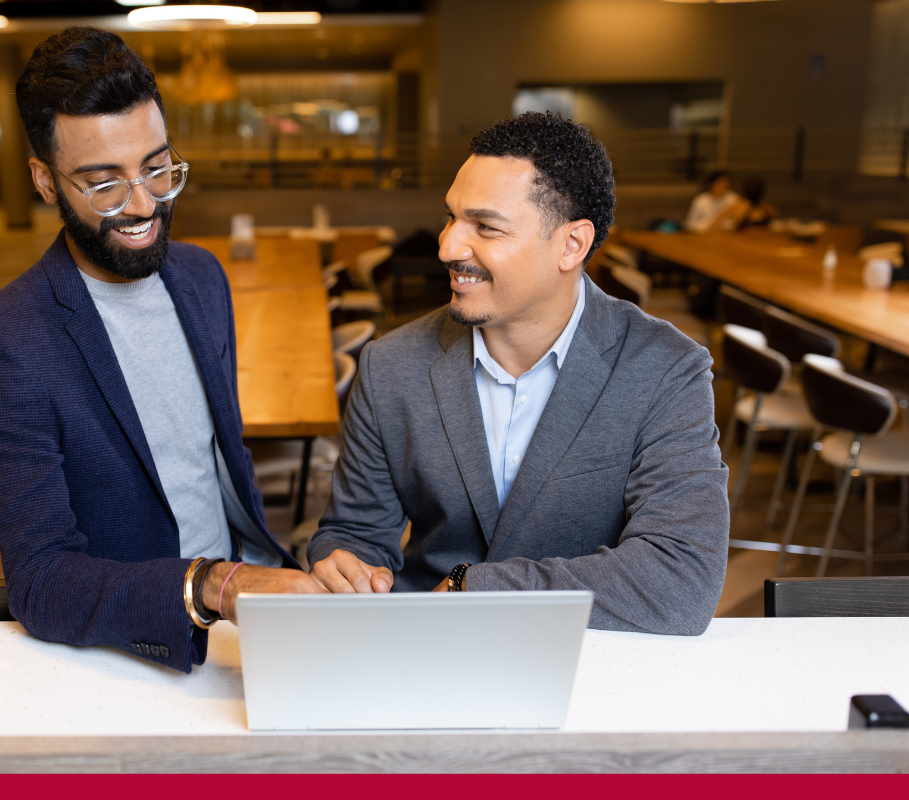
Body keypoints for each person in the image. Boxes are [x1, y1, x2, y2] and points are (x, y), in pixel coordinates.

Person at [0, 27, 323, 674]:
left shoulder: (203, 276)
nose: (143, 204)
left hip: (257, 604)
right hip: (146, 642)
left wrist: (261, 575)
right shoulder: (2, 344)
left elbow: (217, 463)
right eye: (104, 184)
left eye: (156, 167)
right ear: (44, 180)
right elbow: (40, 581)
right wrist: (214, 586)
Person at [307, 113, 729, 635]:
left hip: (593, 663)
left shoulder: (666, 368)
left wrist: (477, 588)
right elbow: (354, 531)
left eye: (485, 227)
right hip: (429, 651)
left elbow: (682, 577)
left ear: (571, 245)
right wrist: (344, 561)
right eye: (451, 218)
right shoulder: (391, 365)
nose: (447, 247)